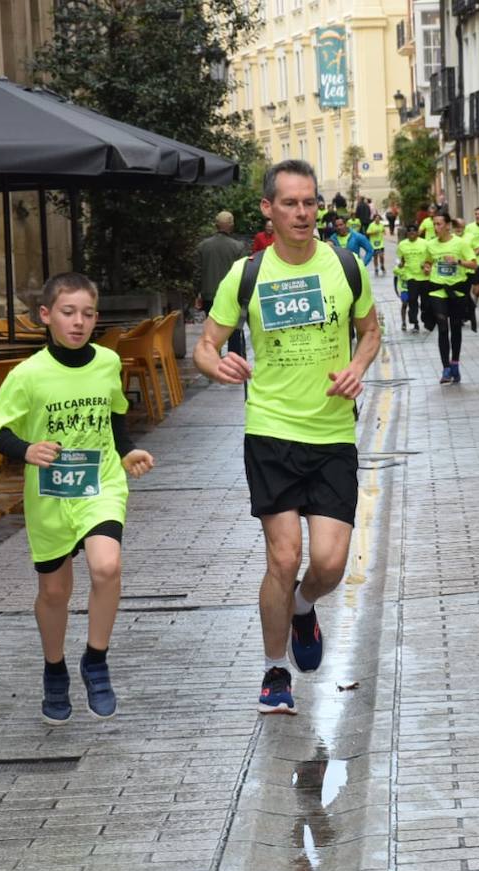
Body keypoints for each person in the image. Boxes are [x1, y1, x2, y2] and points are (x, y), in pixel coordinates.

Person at [193, 160, 382, 714]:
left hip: (331, 434)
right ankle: (275, 670)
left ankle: (304, 605)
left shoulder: (345, 266)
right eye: (291, 203)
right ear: (268, 209)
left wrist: (358, 366)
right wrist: (216, 366)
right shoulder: (246, 275)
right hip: (271, 431)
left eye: (310, 203)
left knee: (329, 563)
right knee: (283, 555)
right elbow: (207, 344)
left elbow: (370, 331)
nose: (303, 213)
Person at [0, 272, 156, 724]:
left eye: (86, 313)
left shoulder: (106, 363)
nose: (78, 322)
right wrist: (27, 450)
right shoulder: (28, 375)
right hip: (51, 494)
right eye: (67, 313)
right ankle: (54, 668)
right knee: (55, 591)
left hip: (100, 484)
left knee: (106, 565)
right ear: (46, 316)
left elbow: (116, 417)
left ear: (96, 317)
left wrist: (127, 450)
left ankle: (95, 660)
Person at [421, 212, 477, 384]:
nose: (436, 228)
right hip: (437, 290)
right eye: (434, 224)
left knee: (455, 328)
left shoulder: (460, 243)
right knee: (443, 328)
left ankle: (455, 364)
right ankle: (445, 368)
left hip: (457, 291)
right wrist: (426, 267)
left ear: (447, 225)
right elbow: (427, 262)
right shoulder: (430, 245)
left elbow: (474, 265)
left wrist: (458, 262)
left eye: (439, 224)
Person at [196, 211, 246, 340]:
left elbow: (198, 273)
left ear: (216, 225)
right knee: (234, 334)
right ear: (231, 225)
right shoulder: (238, 247)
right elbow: (244, 274)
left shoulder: (203, 246)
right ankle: (234, 358)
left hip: (209, 295)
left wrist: (198, 294)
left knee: (212, 334)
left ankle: (213, 359)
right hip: (232, 295)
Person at [396, 224, 428, 332]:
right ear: (407, 234)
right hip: (411, 276)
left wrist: (427, 265)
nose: (412, 234)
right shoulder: (402, 245)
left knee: (425, 303)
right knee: (412, 300)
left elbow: (430, 258)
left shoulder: (425, 243)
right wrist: (400, 266)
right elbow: (401, 259)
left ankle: (425, 317)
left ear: (417, 233)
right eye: (409, 232)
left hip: (424, 277)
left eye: (414, 232)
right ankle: (414, 322)